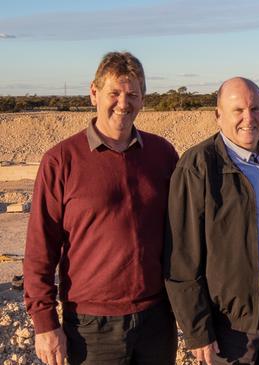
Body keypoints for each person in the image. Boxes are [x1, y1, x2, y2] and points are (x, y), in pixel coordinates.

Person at [24, 51, 179, 365]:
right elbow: (41, 247)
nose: (123, 103)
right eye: (115, 93)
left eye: (133, 94)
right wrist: (44, 323)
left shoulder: (162, 154)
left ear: (143, 99)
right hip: (91, 326)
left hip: (157, 319)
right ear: (93, 93)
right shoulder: (61, 160)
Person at [165, 77, 259, 364]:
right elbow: (181, 256)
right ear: (218, 115)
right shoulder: (199, 165)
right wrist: (198, 330)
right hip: (234, 321)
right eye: (238, 110)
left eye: (255, 109)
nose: (248, 119)